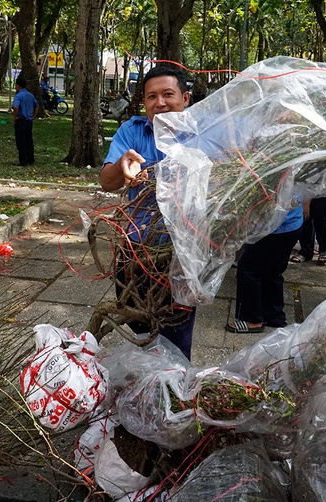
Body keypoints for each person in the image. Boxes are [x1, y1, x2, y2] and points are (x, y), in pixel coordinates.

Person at [100, 65, 194, 359]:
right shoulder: (133, 131)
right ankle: (137, 396)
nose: (160, 102)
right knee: (138, 334)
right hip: (135, 252)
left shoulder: (201, 135)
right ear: (144, 103)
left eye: (168, 94)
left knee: (177, 336)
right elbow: (107, 180)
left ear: (186, 98)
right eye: (152, 96)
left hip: (182, 254)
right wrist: (123, 164)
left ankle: (173, 394)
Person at [225, 204, 305, 333]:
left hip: (273, 228)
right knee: (272, 270)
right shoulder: (294, 182)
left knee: (249, 269)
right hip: (290, 223)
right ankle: (273, 315)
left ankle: (252, 320)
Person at [290, 188, 326, 265]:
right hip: (307, 186)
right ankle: (306, 251)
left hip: (325, 186)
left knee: (321, 218)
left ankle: (325, 249)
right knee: (306, 217)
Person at [11, 75, 38, 166]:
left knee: (21, 141)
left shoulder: (18, 96)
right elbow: (37, 106)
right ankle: (31, 159)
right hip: (29, 121)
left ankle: (23, 161)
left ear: (18, 86)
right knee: (29, 140)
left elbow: (15, 107)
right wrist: (33, 116)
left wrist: (15, 117)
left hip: (21, 120)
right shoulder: (30, 95)